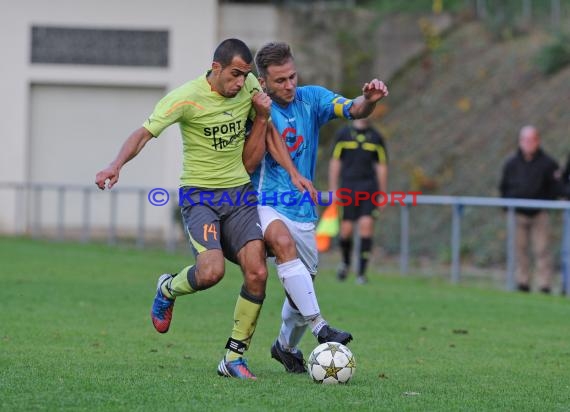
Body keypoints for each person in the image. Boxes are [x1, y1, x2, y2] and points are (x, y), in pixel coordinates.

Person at [95, 39, 304, 380]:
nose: (241, 83)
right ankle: (167, 288)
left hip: (239, 195)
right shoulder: (185, 97)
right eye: (235, 75)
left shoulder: (248, 85)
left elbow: (268, 131)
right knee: (210, 272)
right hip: (200, 197)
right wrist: (115, 165)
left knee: (258, 273)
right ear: (216, 68)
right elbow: (144, 134)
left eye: (245, 75)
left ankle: (233, 358)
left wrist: (293, 172)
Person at [247, 42, 389, 373]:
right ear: (263, 81)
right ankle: (318, 328)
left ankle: (284, 347)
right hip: (266, 202)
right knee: (283, 258)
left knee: (303, 284)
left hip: (303, 209)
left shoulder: (311, 98)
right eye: (280, 80)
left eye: (292, 76)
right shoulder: (255, 107)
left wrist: (368, 99)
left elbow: (353, 110)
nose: (289, 85)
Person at [499, 125, 560, 294]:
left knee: (542, 249)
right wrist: (507, 206)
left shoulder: (548, 163)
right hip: (517, 213)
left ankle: (544, 285)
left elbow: (556, 188)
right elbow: (503, 187)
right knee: (519, 249)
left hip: (540, 213)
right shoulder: (511, 163)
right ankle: (522, 282)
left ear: (537, 141)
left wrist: (547, 203)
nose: (528, 143)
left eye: (531, 140)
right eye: (524, 140)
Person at [328, 117, 388, 284]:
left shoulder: (376, 137)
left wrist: (382, 193)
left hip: (369, 188)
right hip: (348, 188)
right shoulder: (343, 134)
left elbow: (382, 166)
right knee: (346, 230)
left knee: (366, 226)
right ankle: (345, 263)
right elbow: (335, 162)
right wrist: (333, 188)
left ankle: (361, 273)